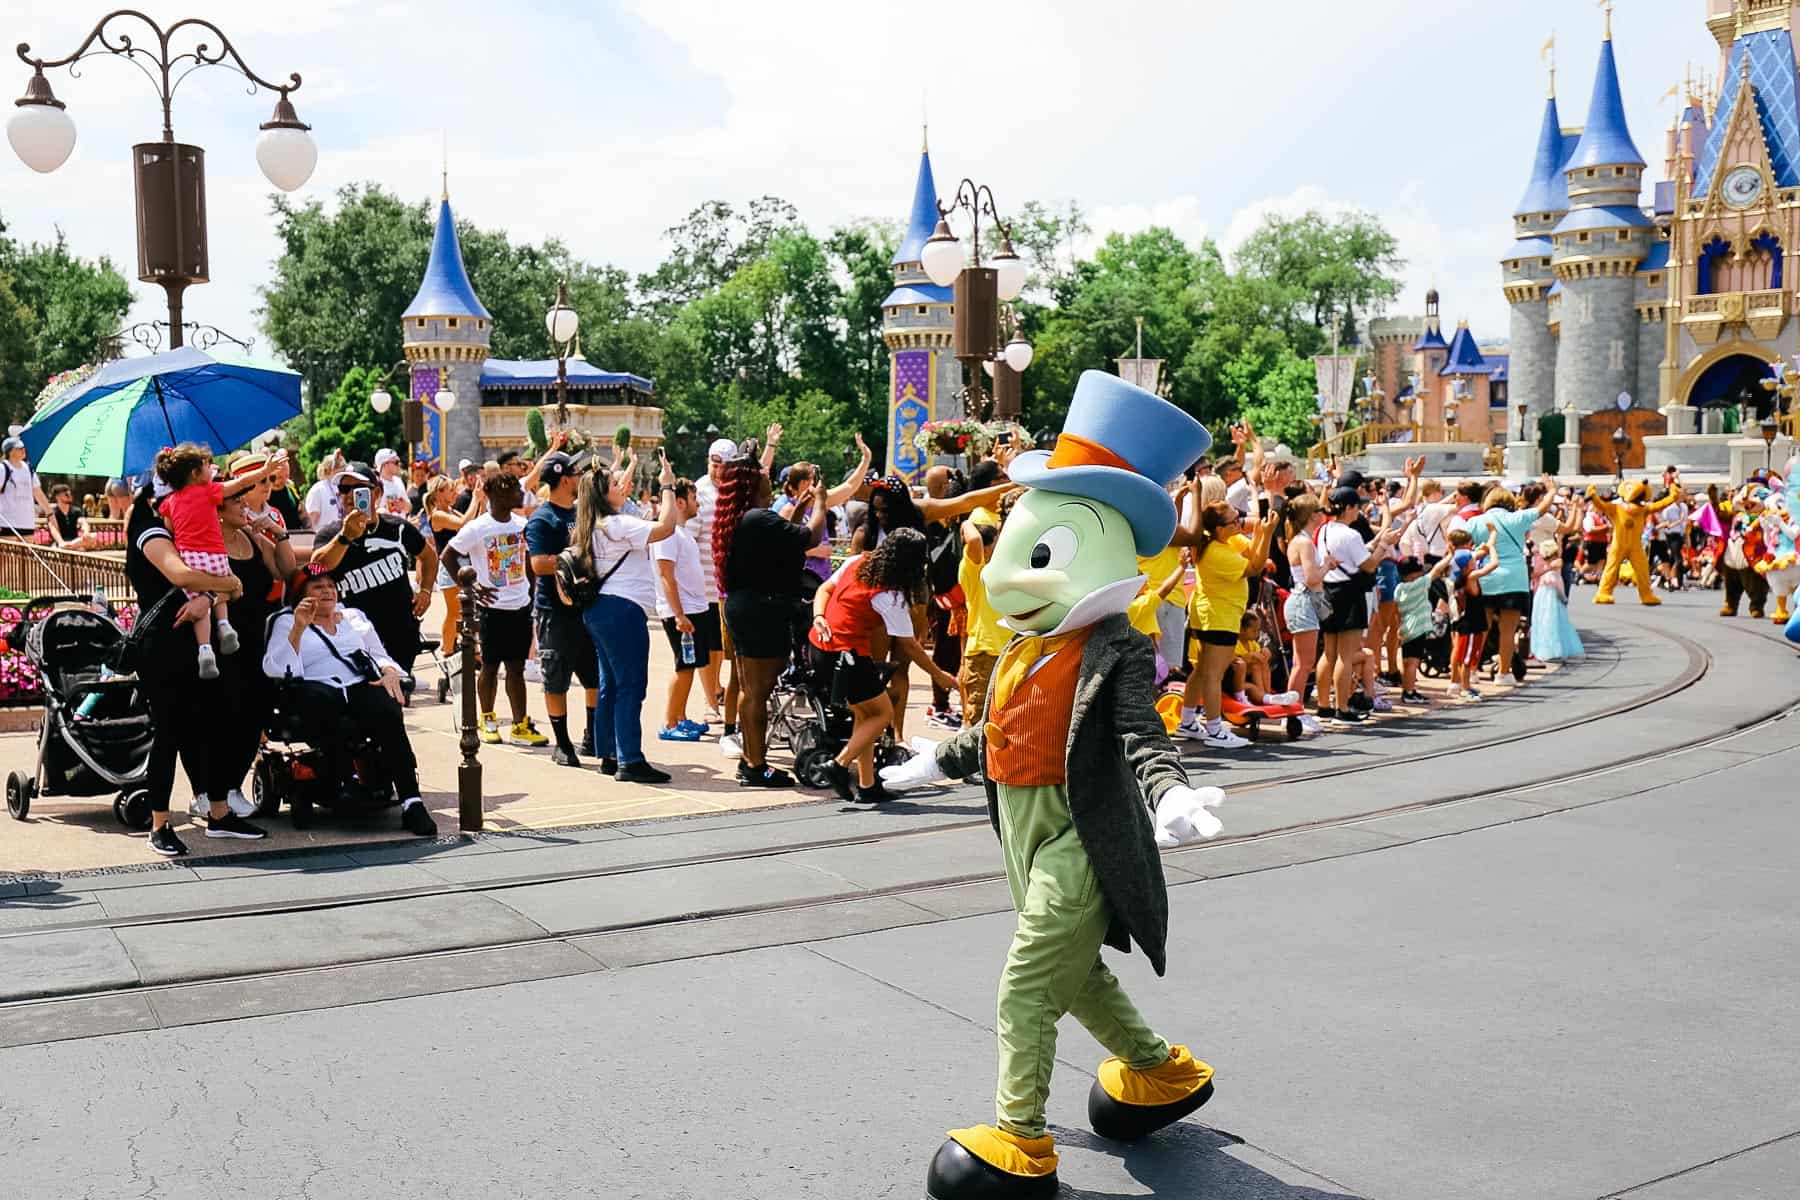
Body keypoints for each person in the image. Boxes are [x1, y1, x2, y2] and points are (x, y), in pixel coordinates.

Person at [124, 478, 265, 855]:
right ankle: (160, 823)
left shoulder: (186, 531)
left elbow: (211, 584)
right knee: (170, 733)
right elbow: (181, 575)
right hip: (164, 644)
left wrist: (215, 593)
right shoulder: (148, 531)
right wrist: (228, 584)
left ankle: (219, 813)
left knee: (215, 723)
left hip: (198, 645)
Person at [263, 563, 436, 836]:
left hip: (357, 684)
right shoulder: (285, 620)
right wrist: (298, 629)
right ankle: (346, 778)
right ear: (301, 594)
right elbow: (276, 668)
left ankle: (411, 802)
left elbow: (379, 654)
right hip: (313, 688)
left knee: (387, 711)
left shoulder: (352, 615)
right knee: (325, 703)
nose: (327, 591)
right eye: (317, 587)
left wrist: (390, 672)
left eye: (330, 586)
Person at [809, 527, 960, 803]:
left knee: (864, 715)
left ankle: (868, 786)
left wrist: (819, 615)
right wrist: (939, 676)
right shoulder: (890, 596)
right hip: (848, 655)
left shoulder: (858, 562)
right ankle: (839, 765)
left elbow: (825, 588)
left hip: (821, 648)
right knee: (882, 713)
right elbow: (909, 645)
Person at [716, 445, 828, 787]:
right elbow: (808, 536)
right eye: (764, 478)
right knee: (757, 691)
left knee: (753, 689)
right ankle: (755, 764)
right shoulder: (757, 518)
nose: (769, 483)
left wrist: (802, 506)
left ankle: (752, 762)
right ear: (752, 485)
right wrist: (821, 501)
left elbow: (787, 540)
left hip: (746, 606)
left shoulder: (744, 518)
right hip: (760, 611)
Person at [574, 450, 681, 783]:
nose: (623, 485)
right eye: (616, 483)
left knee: (611, 684)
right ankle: (630, 760)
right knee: (631, 686)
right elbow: (666, 526)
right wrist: (667, 488)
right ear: (606, 494)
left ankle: (608, 752)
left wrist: (619, 467)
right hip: (623, 609)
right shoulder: (617, 524)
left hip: (599, 609)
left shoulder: (591, 526)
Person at [193, 490, 297, 820]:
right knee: (221, 715)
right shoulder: (208, 543)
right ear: (218, 510)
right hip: (222, 639)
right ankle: (207, 792)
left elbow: (285, 569)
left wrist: (277, 533)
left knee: (255, 711)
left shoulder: (250, 537)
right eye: (237, 502)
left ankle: (232, 786)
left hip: (255, 637)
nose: (245, 506)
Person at [154, 445, 284, 679]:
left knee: (204, 606)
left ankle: (205, 649)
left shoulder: (171, 501)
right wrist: (264, 469)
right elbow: (241, 483)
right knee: (223, 585)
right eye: (206, 466)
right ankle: (224, 626)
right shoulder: (209, 491)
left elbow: (169, 526)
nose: (210, 470)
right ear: (195, 473)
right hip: (216, 555)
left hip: (190, 558)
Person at [443, 469, 547, 747]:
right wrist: (471, 587)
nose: (518, 494)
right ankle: (487, 719)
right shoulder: (478, 527)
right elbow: (448, 555)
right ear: (496, 496)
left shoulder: (520, 524)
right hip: (491, 609)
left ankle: (519, 724)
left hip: (520, 605)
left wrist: (530, 587)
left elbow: (527, 559)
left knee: (516, 668)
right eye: (512, 490)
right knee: (489, 667)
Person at [311, 462, 437, 681]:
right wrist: (345, 537)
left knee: (396, 698)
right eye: (344, 489)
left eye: (357, 489)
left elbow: (428, 556)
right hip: (355, 635)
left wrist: (425, 591)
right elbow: (315, 568)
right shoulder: (330, 534)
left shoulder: (397, 528)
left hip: (400, 632)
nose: (349, 495)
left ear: (376, 493)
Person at [1174, 499, 1278, 747]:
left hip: (1213, 614)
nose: (1239, 522)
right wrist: (1268, 534)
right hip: (1218, 617)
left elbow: (1253, 552)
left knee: (1202, 672)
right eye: (1234, 520)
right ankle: (1214, 730)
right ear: (1219, 528)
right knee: (1213, 674)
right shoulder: (1216, 552)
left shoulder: (1226, 540)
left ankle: (1188, 722)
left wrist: (1261, 534)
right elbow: (1255, 567)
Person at [524, 451, 601, 765]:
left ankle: (592, 735)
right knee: (556, 678)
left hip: (584, 608)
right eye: (575, 472)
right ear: (564, 477)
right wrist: (572, 556)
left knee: (594, 676)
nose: (580, 476)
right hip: (554, 611)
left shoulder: (581, 512)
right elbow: (539, 564)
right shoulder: (543, 518)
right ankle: (562, 743)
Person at [1315, 486, 1395, 725]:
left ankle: (1324, 705)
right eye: (1357, 506)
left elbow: (1354, 555)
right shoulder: (1350, 535)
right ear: (1349, 508)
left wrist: (1378, 542)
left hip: (1328, 591)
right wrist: (1383, 546)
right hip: (1349, 594)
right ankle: (1342, 708)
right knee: (1345, 655)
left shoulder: (1324, 529)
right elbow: (1368, 565)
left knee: (1328, 653)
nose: (1359, 511)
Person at [1464, 476, 1556, 682]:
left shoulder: (1475, 521)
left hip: (1486, 576)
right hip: (1513, 579)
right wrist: (1551, 490)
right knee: (1508, 631)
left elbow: (1461, 541)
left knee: (1481, 629)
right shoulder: (1517, 518)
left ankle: (1470, 671)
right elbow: (1542, 509)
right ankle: (1503, 673)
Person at [652, 478, 716, 744]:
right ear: (679, 502)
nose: (697, 503)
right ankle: (670, 722)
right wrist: (678, 614)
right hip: (682, 612)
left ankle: (680, 716)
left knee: (690, 666)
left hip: (694, 609)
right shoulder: (666, 534)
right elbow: (666, 575)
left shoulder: (682, 532)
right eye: (693, 498)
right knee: (684, 666)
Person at [1281, 494, 1328, 717]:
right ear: (1311, 516)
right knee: (1303, 662)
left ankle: (1295, 709)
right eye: (1318, 510)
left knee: (1303, 661)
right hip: (1303, 601)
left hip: (1302, 601)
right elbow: (1311, 578)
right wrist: (1327, 565)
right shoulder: (1305, 542)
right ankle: (1294, 711)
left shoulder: (1300, 539)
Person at [1448, 528, 1501, 701]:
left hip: (1467, 621)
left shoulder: (1460, 573)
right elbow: (1493, 565)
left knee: (1464, 654)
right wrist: (1492, 550)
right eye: (1472, 560)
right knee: (1467, 656)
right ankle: (1464, 687)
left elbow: (1478, 553)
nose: (1474, 560)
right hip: (1471, 623)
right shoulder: (1471, 577)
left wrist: (1492, 534)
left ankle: (1460, 684)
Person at [1393, 555, 1453, 705]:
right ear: (1414, 574)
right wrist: (1450, 555)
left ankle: (1407, 690)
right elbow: (1437, 569)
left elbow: (1395, 611)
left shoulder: (1399, 588)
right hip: (1418, 629)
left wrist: (1397, 627)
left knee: (1406, 661)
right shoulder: (1419, 584)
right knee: (1413, 662)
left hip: (1405, 628)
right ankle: (1409, 692)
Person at [421, 475, 466, 654]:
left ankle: (467, 650)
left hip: (462, 565)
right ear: (439, 493)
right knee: (454, 613)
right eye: (451, 489)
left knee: (465, 613)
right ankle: (447, 651)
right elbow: (464, 524)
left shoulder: (451, 511)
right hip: (449, 567)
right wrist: (477, 499)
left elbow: (473, 523)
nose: (455, 493)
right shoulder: (438, 515)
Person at [1530, 538, 1585, 662]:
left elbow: (1551, 570)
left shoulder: (1555, 562)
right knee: (1545, 620)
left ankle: (1552, 649)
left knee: (1553, 620)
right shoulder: (1544, 563)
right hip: (1545, 593)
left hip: (1549, 594)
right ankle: (1546, 649)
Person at [0, 437, 49, 538]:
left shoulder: (29, 469)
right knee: (7, 554)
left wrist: (50, 513)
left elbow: (38, 493)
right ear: (11, 451)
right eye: (19, 448)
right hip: (7, 524)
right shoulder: (3, 468)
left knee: (26, 554)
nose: (24, 450)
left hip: (27, 524)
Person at [47, 484, 97, 550]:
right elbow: (53, 529)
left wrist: (86, 532)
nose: (69, 496)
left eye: (70, 494)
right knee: (62, 546)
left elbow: (83, 522)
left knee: (93, 536)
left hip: (75, 542)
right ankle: (66, 547)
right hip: (60, 542)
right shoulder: (53, 512)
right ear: (58, 497)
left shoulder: (76, 511)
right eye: (66, 495)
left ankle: (68, 546)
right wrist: (61, 542)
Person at [302, 454, 343, 530]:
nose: (343, 470)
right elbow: (311, 522)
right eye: (339, 467)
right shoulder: (317, 490)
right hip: (323, 538)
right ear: (329, 469)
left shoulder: (342, 487)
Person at [373, 448, 410, 517]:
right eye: (396, 462)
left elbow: (408, 509)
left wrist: (404, 505)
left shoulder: (398, 481)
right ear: (385, 464)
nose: (399, 464)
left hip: (401, 526)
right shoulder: (376, 484)